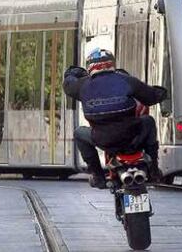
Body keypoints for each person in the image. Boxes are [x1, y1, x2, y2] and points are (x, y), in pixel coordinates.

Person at [63, 48, 167, 189]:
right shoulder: (126, 81)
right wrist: (161, 92)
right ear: (112, 64)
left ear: (90, 67)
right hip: (133, 136)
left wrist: (74, 73)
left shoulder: (82, 86)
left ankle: (98, 176)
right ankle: (154, 170)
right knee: (149, 121)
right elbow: (152, 97)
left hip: (103, 140)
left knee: (79, 133)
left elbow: (68, 83)